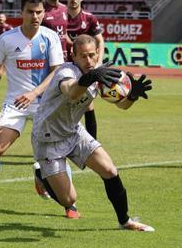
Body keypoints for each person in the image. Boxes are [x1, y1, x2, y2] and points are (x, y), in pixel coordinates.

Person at [0, 0, 79, 218]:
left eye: (39, 12)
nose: (35, 16)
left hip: (47, 104)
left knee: (57, 153)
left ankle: (69, 204)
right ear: (21, 12)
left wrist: (35, 92)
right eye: (30, 12)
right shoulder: (7, 39)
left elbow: (58, 71)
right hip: (15, 104)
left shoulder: (50, 38)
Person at [32, 34, 154, 232]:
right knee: (69, 199)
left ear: (98, 53)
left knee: (109, 170)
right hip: (48, 139)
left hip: (73, 132)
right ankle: (41, 174)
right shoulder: (66, 71)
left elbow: (122, 106)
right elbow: (71, 91)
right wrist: (90, 77)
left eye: (92, 55)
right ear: (74, 56)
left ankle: (125, 221)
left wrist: (132, 95)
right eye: (83, 56)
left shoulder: (99, 75)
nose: (88, 61)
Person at [64, 0, 105, 139]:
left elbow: (100, 41)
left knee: (87, 104)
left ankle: (92, 144)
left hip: (84, 68)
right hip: (64, 67)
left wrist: (98, 63)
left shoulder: (89, 18)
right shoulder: (61, 16)